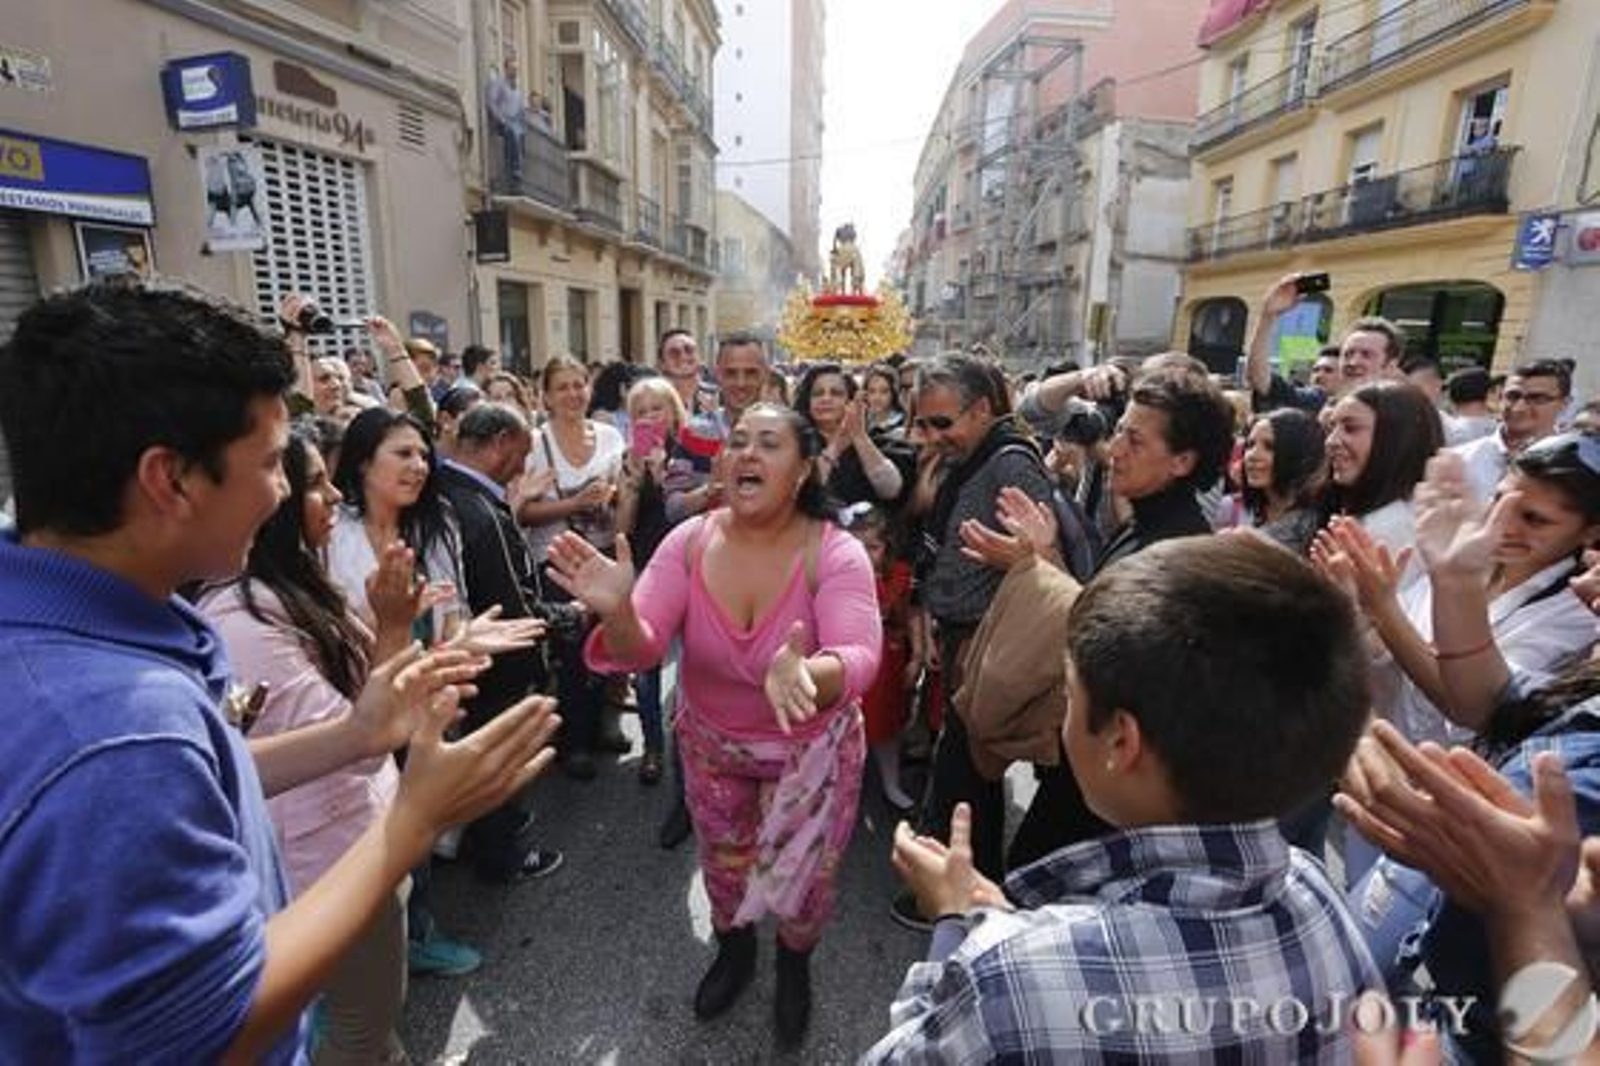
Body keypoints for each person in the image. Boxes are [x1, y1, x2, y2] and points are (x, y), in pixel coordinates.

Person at [0, 284, 556, 1062]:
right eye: (270, 464)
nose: (287, 491)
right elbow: (209, 1036)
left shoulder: (87, 639)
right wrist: (411, 824)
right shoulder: (114, 734)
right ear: (171, 480)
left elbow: (208, 766)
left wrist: (358, 731)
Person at [864, 535, 1380, 1062]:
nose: (1063, 712)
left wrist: (954, 923)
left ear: (1120, 741)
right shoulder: (1322, 900)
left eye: (1069, 691)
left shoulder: (1010, 981)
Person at [548, 403, 882, 1048]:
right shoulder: (689, 540)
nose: (747, 454)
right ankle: (734, 955)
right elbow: (643, 648)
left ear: (805, 467)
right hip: (711, 746)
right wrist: (617, 611)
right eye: (738, 442)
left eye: (769, 444)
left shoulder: (835, 553)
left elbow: (861, 652)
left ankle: (793, 967)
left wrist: (813, 675)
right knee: (725, 867)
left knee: (803, 881)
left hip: (811, 754)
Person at [197, 425, 453, 1062]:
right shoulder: (246, 621)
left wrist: (423, 642)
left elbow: (369, 694)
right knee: (358, 1031)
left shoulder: (298, 588)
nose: (332, 495)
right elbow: (367, 734)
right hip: (330, 860)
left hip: (359, 832)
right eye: (313, 481)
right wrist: (395, 626)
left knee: (372, 1023)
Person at [892, 354, 1055, 929]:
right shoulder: (972, 457)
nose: (932, 437)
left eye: (943, 423)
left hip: (990, 642)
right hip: (963, 635)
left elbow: (1044, 561)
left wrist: (1025, 559)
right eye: (924, 425)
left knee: (968, 774)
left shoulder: (1010, 463)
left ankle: (966, 901)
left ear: (983, 409)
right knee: (964, 769)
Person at [435, 402, 575, 884]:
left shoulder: (448, 488)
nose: (524, 464)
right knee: (498, 761)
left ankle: (490, 832)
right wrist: (574, 615)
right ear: (498, 445)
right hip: (499, 669)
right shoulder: (481, 511)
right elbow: (514, 607)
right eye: (522, 452)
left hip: (468, 664)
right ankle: (503, 856)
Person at [517, 355, 625, 779]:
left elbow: (624, 494)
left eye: (579, 384)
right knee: (572, 654)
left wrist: (614, 497)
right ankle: (573, 742)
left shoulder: (611, 435)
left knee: (606, 647)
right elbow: (522, 513)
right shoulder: (534, 441)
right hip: (556, 560)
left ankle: (601, 727)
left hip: (602, 554)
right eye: (561, 386)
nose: (573, 394)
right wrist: (575, 503)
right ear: (545, 395)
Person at [614, 375, 690, 785]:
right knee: (646, 666)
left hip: (689, 571)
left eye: (656, 409)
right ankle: (653, 748)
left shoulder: (691, 453)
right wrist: (631, 483)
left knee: (692, 664)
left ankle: (686, 748)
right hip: (646, 572)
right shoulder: (629, 459)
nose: (648, 418)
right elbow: (621, 530)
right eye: (640, 412)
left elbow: (688, 516)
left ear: (674, 413)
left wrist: (663, 479)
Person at [843, 503, 919, 813]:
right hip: (850, 665)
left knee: (887, 728)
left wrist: (917, 657)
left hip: (888, 663)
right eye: (856, 546)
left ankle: (891, 783)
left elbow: (910, 613)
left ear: (886, 546)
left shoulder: (899, 574)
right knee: (846, 732)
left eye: (872, 547)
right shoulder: (837, 576)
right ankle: (845, 790)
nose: (864, 553)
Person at [1451, 358, 1571, 504]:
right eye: (1512, 396)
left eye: (1537, 398)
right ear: (1500, 398)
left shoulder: (1575, 470)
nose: (1519, 407)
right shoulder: (1459, 459)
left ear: (1564, 404)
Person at [793, 361, 910, 510]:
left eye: (836, 393)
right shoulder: (796, 442)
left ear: (850, 401)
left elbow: (891, 490)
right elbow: (799, 493)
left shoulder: (876, 439)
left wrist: (859, 436)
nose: (826, 399)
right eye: (817, 393)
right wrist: (835, 447)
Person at [1241, 407, 1326, 555]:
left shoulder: (1314, 526)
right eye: (1250, 445)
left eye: (1269, 447)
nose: (1252, 456)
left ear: (1297, 456)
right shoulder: (1252, 512)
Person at [487, 56, 531, 187]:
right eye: (512, 69)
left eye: (516, 69)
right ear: (506, 69)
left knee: (520, 135)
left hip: (514, 123)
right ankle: (514, 170)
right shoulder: (499, 83)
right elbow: (491, 102)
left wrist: (523, 125)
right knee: (512, 132)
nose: (515, 72)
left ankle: (520, 171)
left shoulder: (517, 90)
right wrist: (501, 119)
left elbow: (520, 110)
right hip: (501, 123)